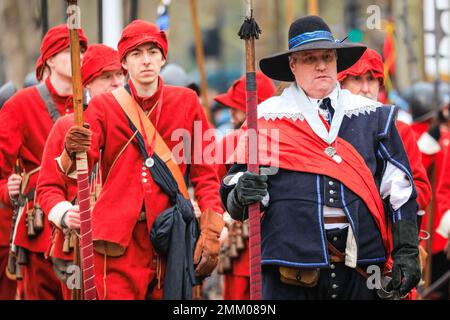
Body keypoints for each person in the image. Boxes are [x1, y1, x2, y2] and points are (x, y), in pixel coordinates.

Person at [220, 15, 421, 300]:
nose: (321, 65)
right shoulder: (265, 117)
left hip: (362, 268)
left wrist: (407, 251)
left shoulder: (373, 116)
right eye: (309, 58)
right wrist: (242, 192)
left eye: (327, 56)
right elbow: (235, 183)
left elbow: (399, 190)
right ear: (292, 65)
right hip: (290, 268)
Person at [54, 20, 224, 300]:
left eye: (152, 52)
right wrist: (71, 150)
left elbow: (206, 174)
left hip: (171, 239)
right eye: (136, 54)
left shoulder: (187, 102)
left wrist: (211, 228)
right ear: (124, 63)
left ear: (163, 57)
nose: (146, 61)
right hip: (117, 243)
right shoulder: (103, 106)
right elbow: (79, 167)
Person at [0, 24, 88, 300]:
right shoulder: (20, 105)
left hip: (85, 226)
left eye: (82, 51)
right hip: (39, 229)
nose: (79, 57)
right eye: (70, 50)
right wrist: (7, 189)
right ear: (49, 58)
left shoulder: (95, 104)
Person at [35, 43, 125, 300]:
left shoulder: (138, 124)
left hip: (125, 246)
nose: (116, 83)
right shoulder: (66, 126)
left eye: (120, 75)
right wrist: (65, 214)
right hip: (77, 243)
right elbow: (47, 187)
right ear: (87, 84)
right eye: (106, 77)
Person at [338, 48, 431, 238]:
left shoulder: (400, 128)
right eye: (357, 79)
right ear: (341, 83)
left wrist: (392, 203)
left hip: (386, 238)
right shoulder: (331, 128)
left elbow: (421, 188)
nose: (365, 88)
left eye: (371, 79)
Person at [214, 71, 275, 300]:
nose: (230, 113)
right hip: (270, 251)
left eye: (236, 107)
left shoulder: (230, 142)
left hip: (246, 252)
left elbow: (214, 187)